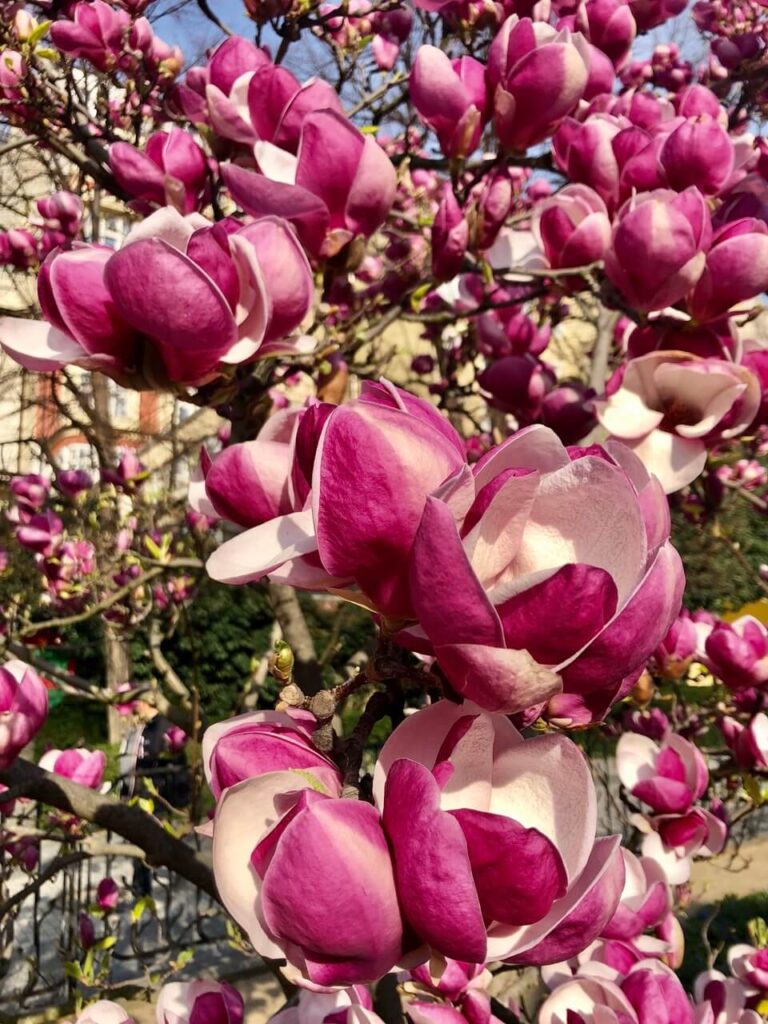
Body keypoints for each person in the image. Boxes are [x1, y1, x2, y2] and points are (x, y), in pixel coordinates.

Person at [117, 695, 190, 897]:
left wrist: (180, 800)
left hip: (156, 798)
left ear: (145, 702)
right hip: (139, 796)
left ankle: (147, 885)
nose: (133, 708)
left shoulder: (165, 728)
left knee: (151, 842)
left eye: (135, 703)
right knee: (142, 843)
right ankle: (141, 885)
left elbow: (178, 766)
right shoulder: (144, 727)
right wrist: (125, 791)